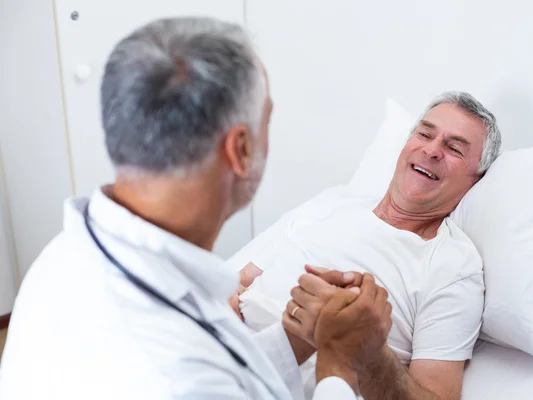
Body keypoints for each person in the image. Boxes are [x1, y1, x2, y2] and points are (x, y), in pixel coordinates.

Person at [0, 17, 394, 400]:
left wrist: (301, 338)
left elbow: (228, 370)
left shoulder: (66, 256)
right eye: (267, 120)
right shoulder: (171, 375)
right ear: (240, 149)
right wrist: (339, 364)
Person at [228, 91, 502, 399]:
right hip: (223, 354)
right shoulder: (335, 202)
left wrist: (367, 350)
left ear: (475, 179)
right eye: (425, 133)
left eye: (454, 148)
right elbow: (240, 278)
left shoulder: (453, 266)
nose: (432, 150)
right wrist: (220, 300)